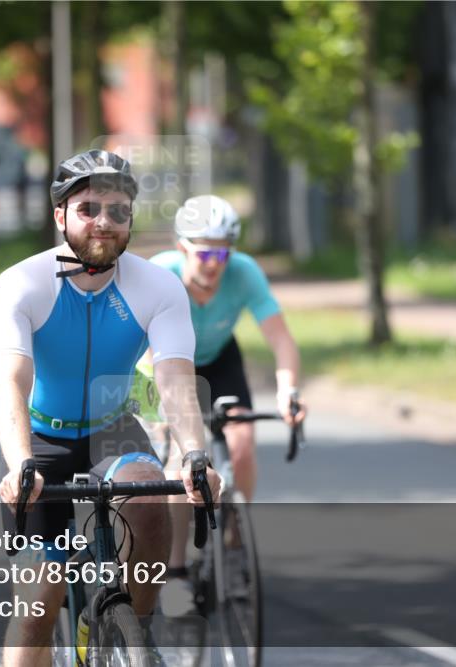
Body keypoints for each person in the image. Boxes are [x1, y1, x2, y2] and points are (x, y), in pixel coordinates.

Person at [0, 149, 222, 667]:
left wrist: (196, 455)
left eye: (118, 211)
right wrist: (22, 461)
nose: (104, 222)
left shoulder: (157, 286)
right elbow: (11, 382)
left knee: (149, 504)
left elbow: (175, 379)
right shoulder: (21, 284)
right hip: (39, 437)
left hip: (110, 428)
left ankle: (129, 631)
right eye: (89, 207)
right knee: (37, 605)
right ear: (60, 215)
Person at [146, 194, 307, 614]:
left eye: (223, 252)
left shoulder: (244, 273)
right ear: (182, 248)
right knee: (180, 465)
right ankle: (177, 568)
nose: (214, 263)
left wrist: (288, 391)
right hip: (165, 365)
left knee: (241, 446)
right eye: (204, 252)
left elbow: (281, 340)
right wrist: (159, 413)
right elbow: (139, 349)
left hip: (219, 361)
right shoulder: (161, 274)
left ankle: (234, 543)